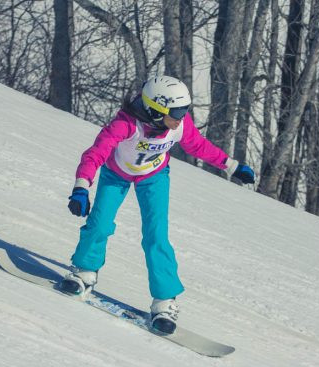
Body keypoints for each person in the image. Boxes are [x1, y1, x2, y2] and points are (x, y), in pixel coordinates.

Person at [62, 75, 255, 334]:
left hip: (153, 177)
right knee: (99, 223)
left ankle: (164, 303)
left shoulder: (179, 126)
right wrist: (81, 187)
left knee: (156, 236)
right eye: (176, 112)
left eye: (185, 111)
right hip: (116, 174)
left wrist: (232, 166)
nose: (182, 118)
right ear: (155, 110)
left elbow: (198, 146)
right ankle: (84, 272)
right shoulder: (125, 125)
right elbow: (95, 153)